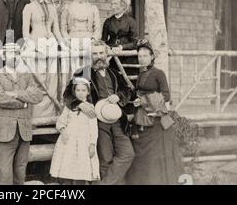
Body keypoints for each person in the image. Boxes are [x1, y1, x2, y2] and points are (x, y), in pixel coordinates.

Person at [64, 40, 134, 185]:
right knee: (105, 158)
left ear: (106, 54)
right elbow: (68, 95)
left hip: (117, 119)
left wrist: (119, 96)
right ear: (90, 56)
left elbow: (127, 90)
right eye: (95, 54)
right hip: (96, 121)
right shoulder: (83, 72)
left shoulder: (114, 73)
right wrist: (80, 104)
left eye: (101, 53)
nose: (99, 56)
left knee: (127, 153)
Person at [126, 39, 183, 185]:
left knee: (154, 155)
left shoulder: (158, 73)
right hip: (143, 118)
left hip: (156, 119)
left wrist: (144, 100)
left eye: (145, 55)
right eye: (139, 56)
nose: (142, 58)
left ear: (152, 57)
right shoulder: (141, 74)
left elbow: (166, 95)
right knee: (143, 154)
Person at [0, 43, 44, 184]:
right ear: (4, 56)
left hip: (24, 130)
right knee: (5, 174)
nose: (15, 57)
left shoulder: (26, 75)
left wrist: (15, 94)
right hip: (4, 130)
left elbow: (37, 96)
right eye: (11, 54)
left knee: (20, 172)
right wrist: (24, 101)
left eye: (17, 54)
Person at [22, 0, 65, 118]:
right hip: (36, 47)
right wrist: (30, 47)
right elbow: (25, 32)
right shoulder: (29, 7)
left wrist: (64, 45)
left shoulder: (52, 8)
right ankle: (36, 118)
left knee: (51, 82)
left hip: (51, 46)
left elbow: (56, 31)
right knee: (38, 81)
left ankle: (49, 117)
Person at [50, 77, 100, 185]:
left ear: (88, 92)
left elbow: (94, 128)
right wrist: (63, 131)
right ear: (74, 91)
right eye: (78, 90)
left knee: (81, 170)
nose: (80, 93)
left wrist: (92, 144)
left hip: (84, 142)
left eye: (83, 90)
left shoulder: (90, 107)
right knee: (67, 168)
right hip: (69, 141)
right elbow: (60, 122)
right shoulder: (69, 107)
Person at [60, 0, 101, 78]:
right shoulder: (67, 7)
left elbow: (97, 29)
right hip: (72, 42)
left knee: (87, 71)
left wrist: (93, 41)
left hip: (88, 42)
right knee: (73, 71)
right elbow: (63, 28)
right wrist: (68, 41)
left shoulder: (93, 8)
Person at [101, 0, 140, 81]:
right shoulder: (108, 22)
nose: (113, 7)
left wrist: (121, 47)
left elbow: (135, 42)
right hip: (112, 57)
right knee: (113, 80)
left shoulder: (131, 21)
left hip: (128, 58)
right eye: (112, 4)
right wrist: (108, 47)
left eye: (115, 4)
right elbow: (103, 40)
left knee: (128, 82)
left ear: (123, 6)